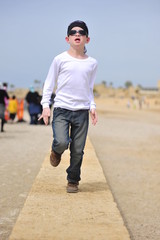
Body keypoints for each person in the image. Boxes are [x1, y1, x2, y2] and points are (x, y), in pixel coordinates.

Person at [39, 20, 98, 193]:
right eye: (73, 32)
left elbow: (89, 87)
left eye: (81, 32)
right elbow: (49, 83)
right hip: (62, 109)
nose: (77, 34)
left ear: (87, 39)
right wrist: (45, 105)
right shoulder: (59, 59)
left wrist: (92, 106)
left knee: (78, 150)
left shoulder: (92, 63)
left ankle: (73, 180)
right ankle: (56, 151)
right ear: (67, 38)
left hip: (81, 111)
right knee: (62, 142)